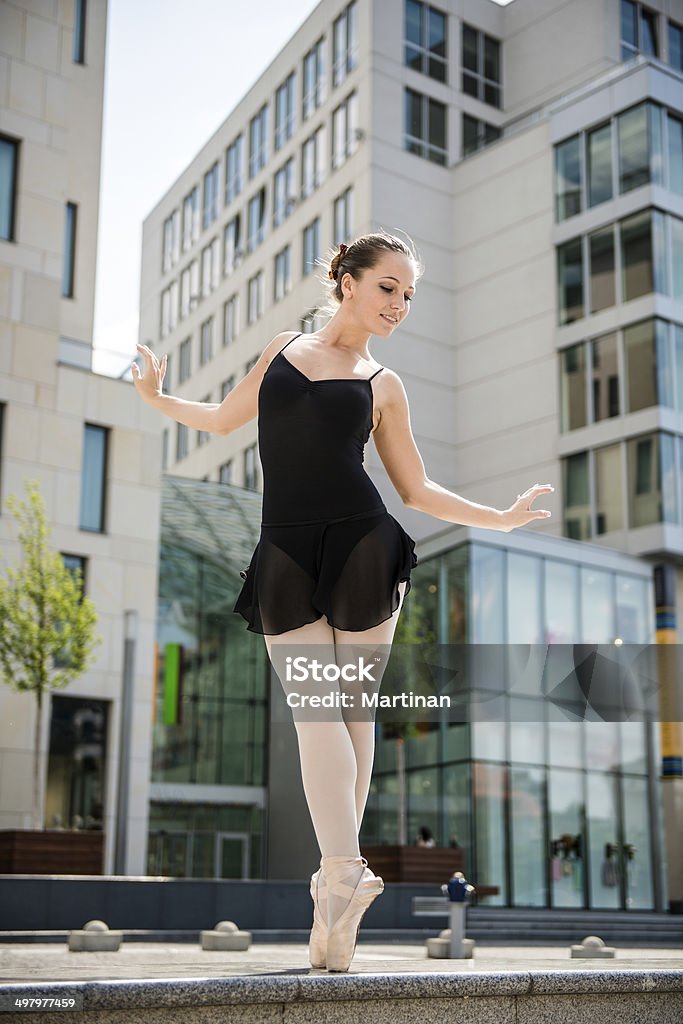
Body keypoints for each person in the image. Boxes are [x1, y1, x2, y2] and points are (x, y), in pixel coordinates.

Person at [132, 230, 553, 972]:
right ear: (348, 280)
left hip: (362, 543)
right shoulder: (283, 349)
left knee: (343, 712)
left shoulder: (382, 384)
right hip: (286, 548)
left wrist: (502, 516)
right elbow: (226, 419)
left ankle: (338, 883)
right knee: (319, 710)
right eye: (388, 287)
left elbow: (416, 489)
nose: (400, 305)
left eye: (409, 295)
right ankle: (341, 880)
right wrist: (156, 397)